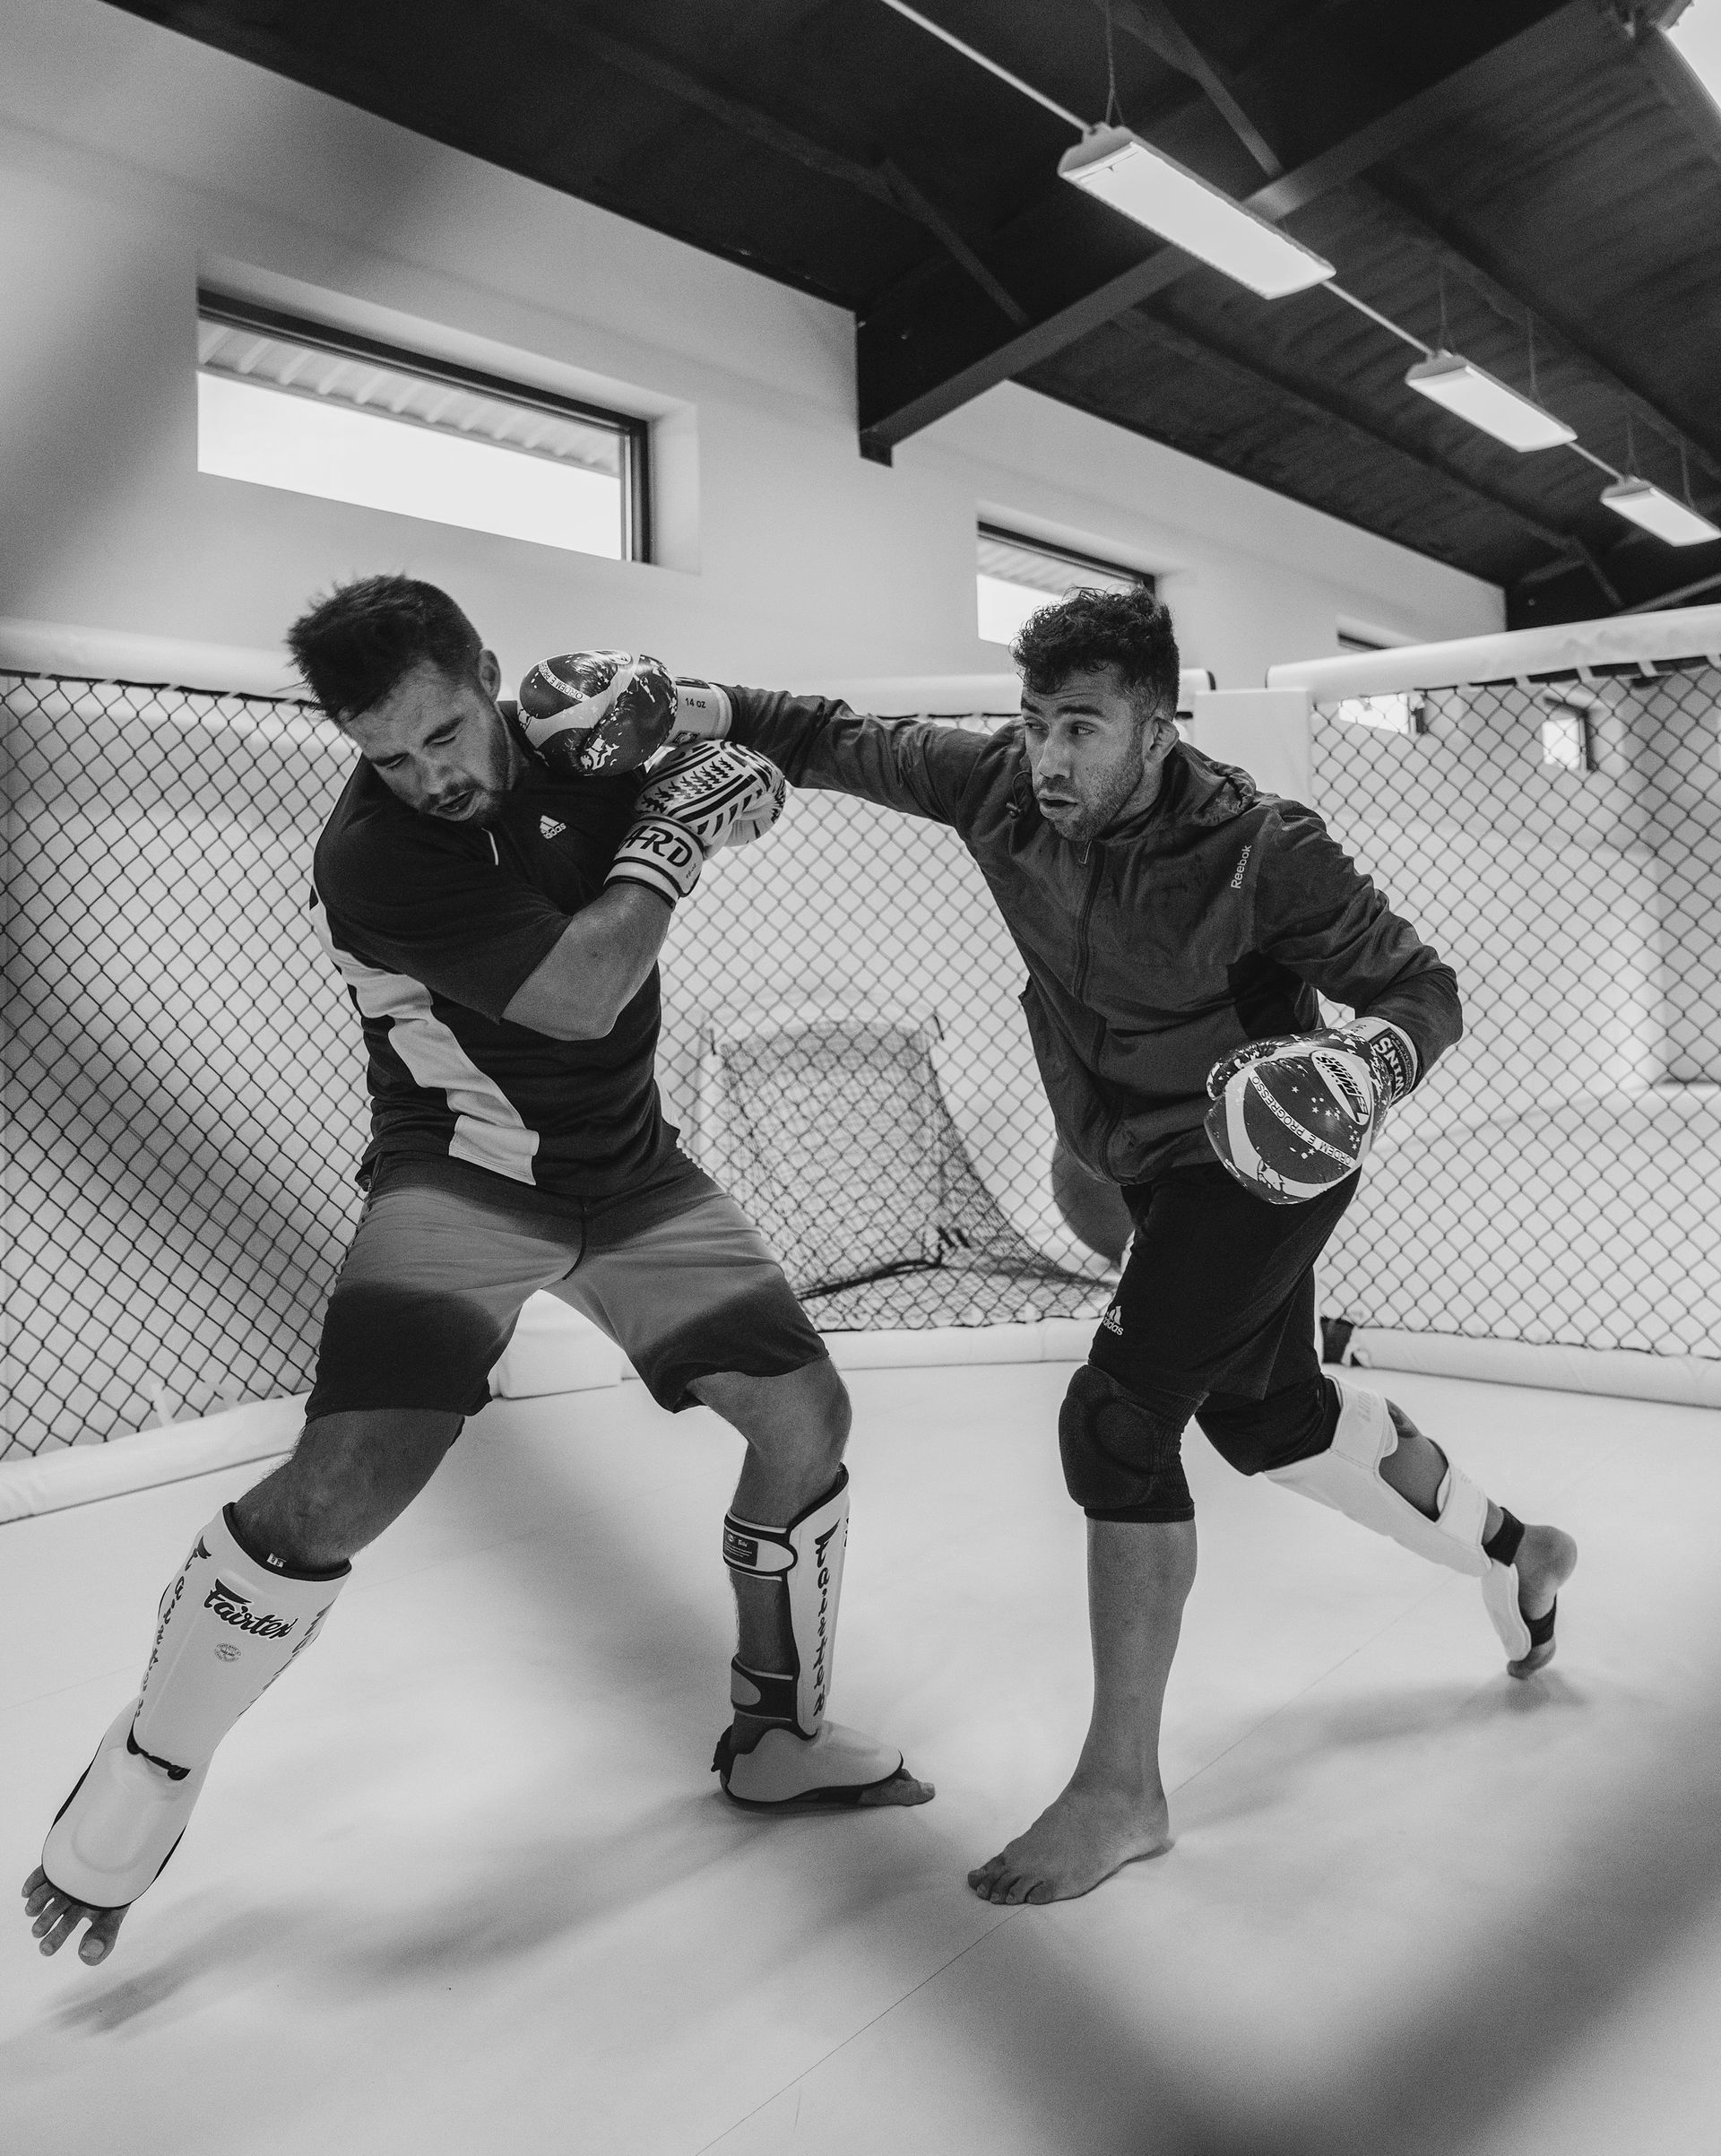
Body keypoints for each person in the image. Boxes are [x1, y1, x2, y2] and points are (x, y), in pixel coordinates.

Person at [23, 578, 928, 1971]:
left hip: (633, 1176)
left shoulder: (584, 737)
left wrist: (720, 771)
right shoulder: (374, 855)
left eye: (446, 731)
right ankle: (150, 1763)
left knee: (805, 1416)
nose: (430, 774)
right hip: (463, 1177)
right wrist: (682, 837)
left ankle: (777, 1733)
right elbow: (580, 991)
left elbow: (730, 749)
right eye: (392, 753)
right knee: (345, 1485)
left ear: (490, 677)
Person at [701, 588, 1576, 1906]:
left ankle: (1125, 1787)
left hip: (1256, 1163)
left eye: (1084, 728)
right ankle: (1515, 1551)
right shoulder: (996, 787)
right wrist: (693, 703)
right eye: (1036, 721)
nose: (1051, 758)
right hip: (1128, 1160)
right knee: (1272, 1420)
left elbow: (1422, 987)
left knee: (1118, 1419)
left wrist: (1368, 1054)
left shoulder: (1261, 846)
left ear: (1158, 727)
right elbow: (821, 733)